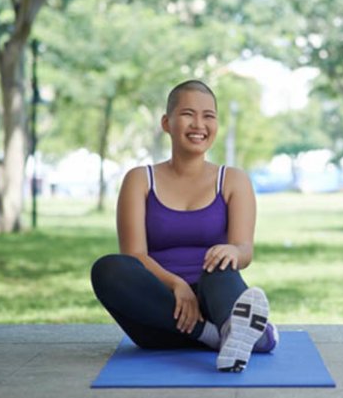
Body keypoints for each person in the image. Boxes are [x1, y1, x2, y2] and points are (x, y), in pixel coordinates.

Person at [90, 79, 277, 373]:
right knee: (108, 269)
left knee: (220, 264)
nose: (199, 124)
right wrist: (177, 285)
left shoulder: (233, 180)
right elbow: (135, 255)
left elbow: (244, 250)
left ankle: (230, 327)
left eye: (208, 116)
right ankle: (221, 336)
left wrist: (231, 250)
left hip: (217, 303)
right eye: (188, 114)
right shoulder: (139, 179)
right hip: (159, 315)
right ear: (167, 122)